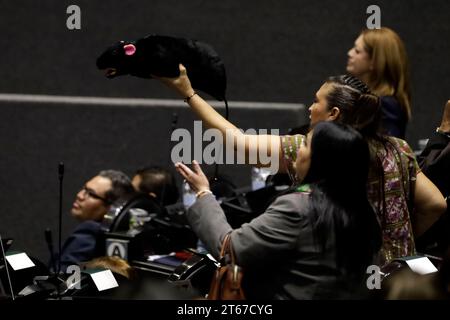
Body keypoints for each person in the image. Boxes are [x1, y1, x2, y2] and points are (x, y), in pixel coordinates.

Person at [155, 65, 446, 267]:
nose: (309, 107)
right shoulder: (399, 148)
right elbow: (435, 205)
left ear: (333, 113)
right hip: (399, 280)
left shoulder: (309, 150)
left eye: (315, 100)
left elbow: (239, 143)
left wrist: (189, 93)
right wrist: (399, 240)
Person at [176, 121, 382, 299]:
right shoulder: (365, 212)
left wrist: (204, 194)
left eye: (305, 144)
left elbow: (230, 248)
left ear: (320, 160)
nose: (298, 151)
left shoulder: (298, 207)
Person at [57, 170, 135, 272]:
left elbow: (62, 279)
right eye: (84, 189)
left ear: (112, 207)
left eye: (91, 194)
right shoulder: (123, 237)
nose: (80, 195)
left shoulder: (90, 231)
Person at [346, 27, 411, 139]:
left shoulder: (385, 105)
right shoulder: (368, 99)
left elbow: (387, 153)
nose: (349, 53)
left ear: (375, 61)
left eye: (357, 50)